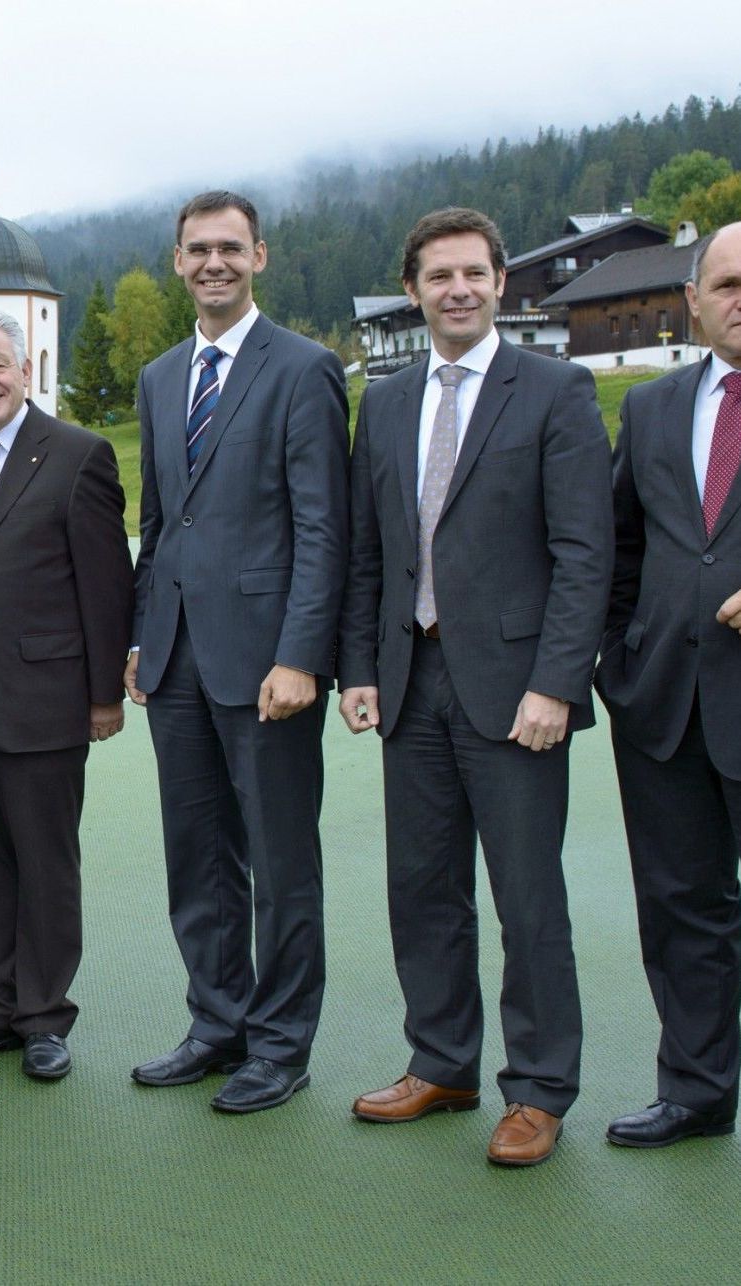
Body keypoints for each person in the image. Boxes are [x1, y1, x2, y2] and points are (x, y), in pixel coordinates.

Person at [339, 208, 612, 1167]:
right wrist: (362, 667)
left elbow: (585, 555)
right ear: (412, 290)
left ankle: (538, 1091)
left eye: (474, 273)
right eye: (438, 275)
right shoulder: (386, 399)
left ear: (501, 281)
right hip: (412, 682)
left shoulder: (556, 390)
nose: (458, 289)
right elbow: (370, 551)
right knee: (422, 889)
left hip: (517, 691)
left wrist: (557, 685)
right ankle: (443, 1063)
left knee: (527, 897)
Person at [126, 190, 349, 1114]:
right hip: (176, 657)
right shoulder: (159, 375)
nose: (212, 263)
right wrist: (143, 637)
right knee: (199, 856)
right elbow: (156, 523)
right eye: (196, 250)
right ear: (177, 261)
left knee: (280, 861)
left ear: (259, 256)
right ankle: (216, 1025)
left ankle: (280, 1046)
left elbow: (321, 526)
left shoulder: (304, 368)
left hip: (268, 667)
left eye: (229, 248)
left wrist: (301, 655)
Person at [0, 307, 133, 1083]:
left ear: (26, 370)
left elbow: (107, 585)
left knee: (44, 864)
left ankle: (43, 1017)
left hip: (44, 699)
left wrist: (102, 694)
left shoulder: (77, 455)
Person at [598, 221, 741, 1149]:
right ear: (692, 300)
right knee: (683, 904)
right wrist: (621, 659)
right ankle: (696, 1089)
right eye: (727, 283)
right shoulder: (652, 409)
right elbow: (620, 549)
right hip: (665, 706)